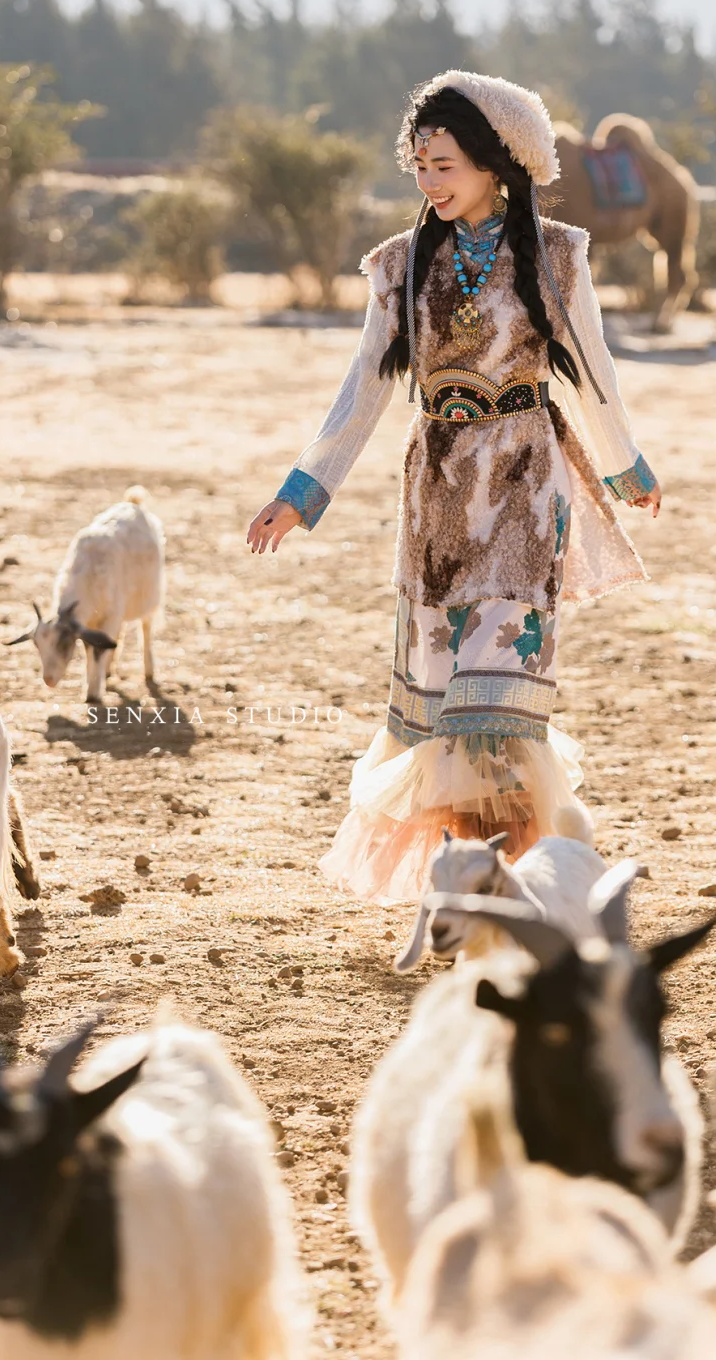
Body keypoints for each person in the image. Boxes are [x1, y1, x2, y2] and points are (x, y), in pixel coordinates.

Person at [247, 70, 661, 902]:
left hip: (523, 485)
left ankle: (512, 889)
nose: (431, 182)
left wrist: (625, 466)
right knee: (444, 721)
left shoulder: (560, 256)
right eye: (421, 166)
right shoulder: (398, 266)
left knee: (496, 717)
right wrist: (303, 489)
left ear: (497, 163)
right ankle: (480, 891)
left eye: (446, 165)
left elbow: (593, 373)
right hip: (436, 505)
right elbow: (363, 388)